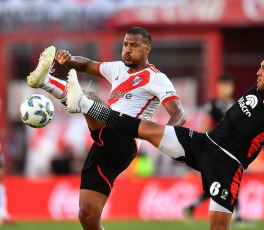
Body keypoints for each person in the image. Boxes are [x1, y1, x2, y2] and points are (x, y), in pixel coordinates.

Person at [65, 27, 264, 230]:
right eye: (260, 67)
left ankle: (85, 104)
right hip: (204, 143)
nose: (258, 73)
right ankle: (86, 105)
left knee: (218, 226)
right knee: (146, 128)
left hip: (227, 165)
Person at [27, 27, 186, 230]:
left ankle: (47, 82)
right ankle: (61, 89)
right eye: (125, 44)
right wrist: (68, 59)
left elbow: (179, 114)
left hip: (125, 140)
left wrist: (164, 138)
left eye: (134, 46)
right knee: (87, 215)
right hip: (102, 144)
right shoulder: (117, 68)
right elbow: (86, 64)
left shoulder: (156, 77)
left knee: (89, 97)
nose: (127, 49)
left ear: (147, 49)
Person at [184, 74, 244, 224]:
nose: (226, 89)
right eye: (223, 86)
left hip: (229, 152)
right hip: (215, 152)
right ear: (218, 87)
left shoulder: (234, 105)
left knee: (220, 186)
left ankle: (191, 207)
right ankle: (238, 218)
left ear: (233, 87)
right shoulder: (212, 105)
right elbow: (205, 126)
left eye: (228, 86)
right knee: (228, 184)